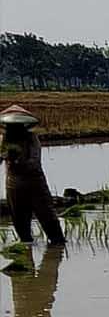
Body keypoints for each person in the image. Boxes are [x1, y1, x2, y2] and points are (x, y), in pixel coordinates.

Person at [0, 105, 65, 245]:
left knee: (47, 215)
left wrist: (17, 160)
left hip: (35, 183)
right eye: (12, 125)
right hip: (13, 184)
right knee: (19, 219)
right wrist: (6, 156)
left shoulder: (31, 138)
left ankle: (57, 246)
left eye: (17, 125)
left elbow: (34, 162)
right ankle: (26, 247)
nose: (14, 128)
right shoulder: (4, 139)